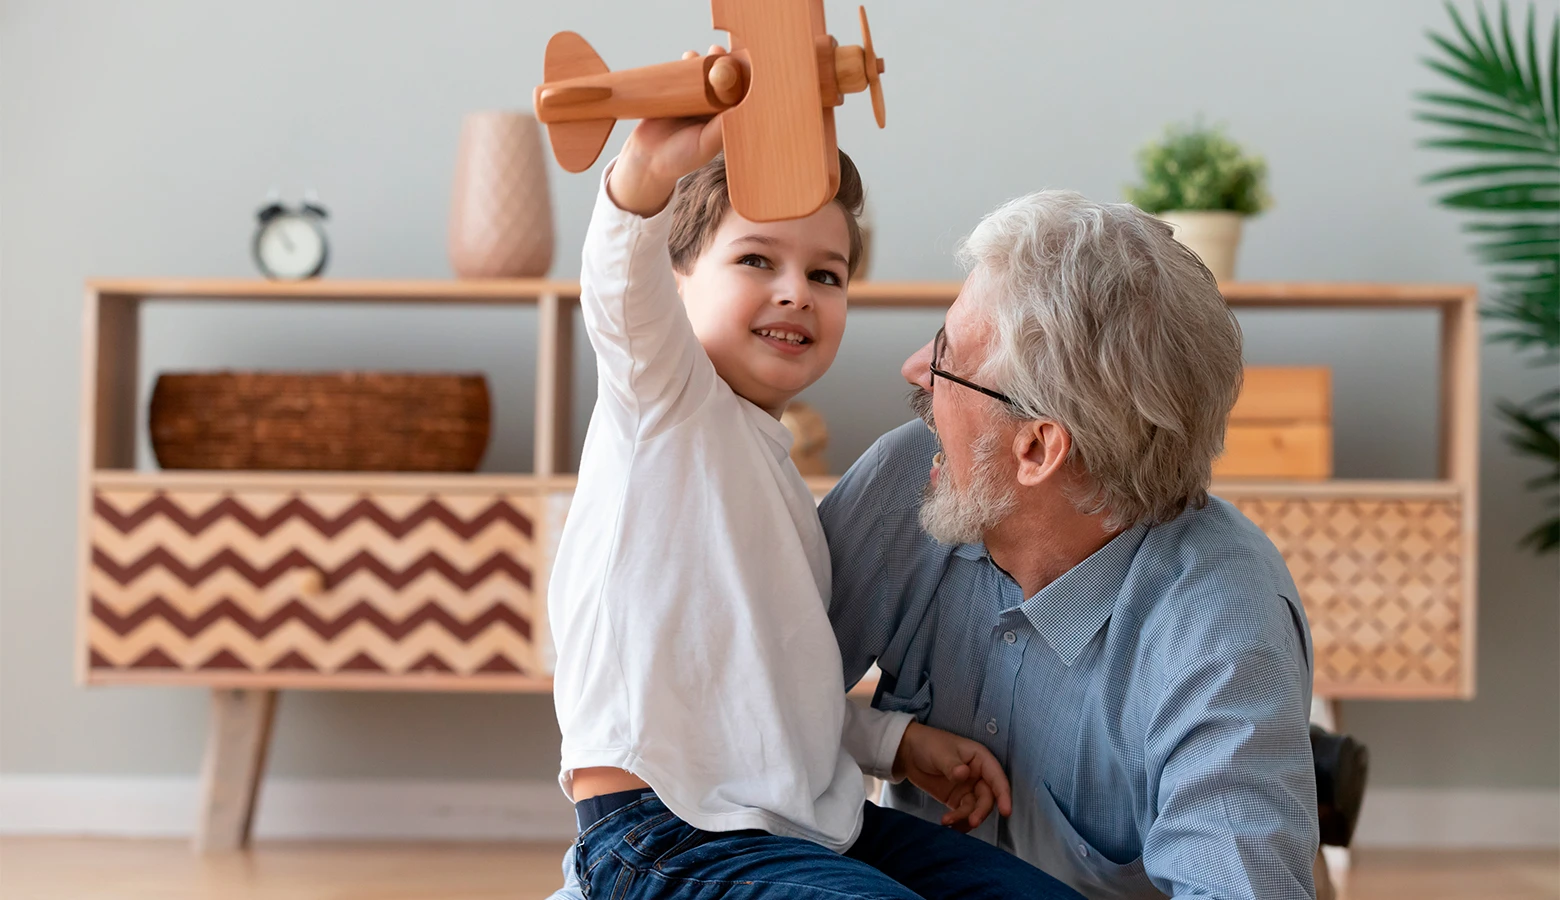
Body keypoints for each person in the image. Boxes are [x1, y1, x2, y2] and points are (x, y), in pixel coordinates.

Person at [547, 52, 1084, 898]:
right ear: (675, 283)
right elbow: (617, 290)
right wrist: (643, 176)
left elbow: (769, 694)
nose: (796, 292)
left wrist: (894, 744)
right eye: (757, 260)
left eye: (825, 274)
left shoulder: (776, 477)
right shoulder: (661, 400)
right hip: (669, 832)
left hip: (810, 824)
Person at [820, 189, 1321, 898]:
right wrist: (889, 744)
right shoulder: (909, 480)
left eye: (945, 357)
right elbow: (738, 703)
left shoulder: (1221, 622)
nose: (913, 370)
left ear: (1036, 449)